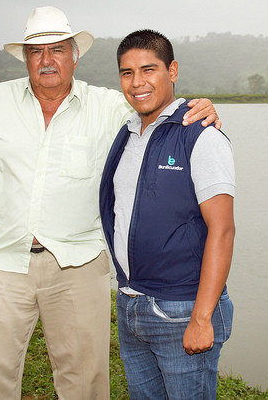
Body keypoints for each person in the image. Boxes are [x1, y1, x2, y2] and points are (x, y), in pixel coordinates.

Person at [0, 7, 219, 400]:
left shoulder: (108, 107)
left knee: (85, 383)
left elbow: (157, 106)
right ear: (25, 58)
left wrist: (200, 108)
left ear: (74, 55)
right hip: (3, 263)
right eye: (36, 51)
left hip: (78, 264)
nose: (47, 61)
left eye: (57, 49)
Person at [99, 29, 235, 399]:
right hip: (131, 303)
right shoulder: (127, 134)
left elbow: (222, 231)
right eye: (127, 73)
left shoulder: (200, 135)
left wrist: (202, 317)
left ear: (172, 70)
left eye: (149, 69)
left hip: (182, 308)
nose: (138, 82)